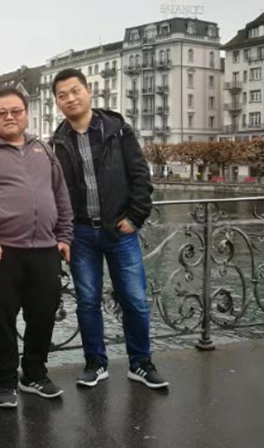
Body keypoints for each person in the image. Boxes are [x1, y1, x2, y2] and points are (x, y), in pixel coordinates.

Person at [49, 68, 165, 389]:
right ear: (57, 102)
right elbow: (55, 191)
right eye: (62, 95)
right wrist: (63, 232)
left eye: (75, 91)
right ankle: (96, 363)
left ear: (89, 91)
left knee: (135, 299)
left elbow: (140, 176)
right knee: (87, 301)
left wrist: (135, 217)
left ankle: (140, 363)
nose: (70, 98)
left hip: (119, 231)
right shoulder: (57, 142)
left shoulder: (118, 130)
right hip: (81, 234)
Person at [0, 87, 73, 409]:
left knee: (44, 314)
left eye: (16, 111)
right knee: (2, 318)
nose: (9, 117)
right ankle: (6, 380)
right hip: (3, 249)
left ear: (26, 114)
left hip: (46, 247)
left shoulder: (43, 149)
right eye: (2, 112)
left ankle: (34, 373)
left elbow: (60, 194)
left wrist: (65, 236)